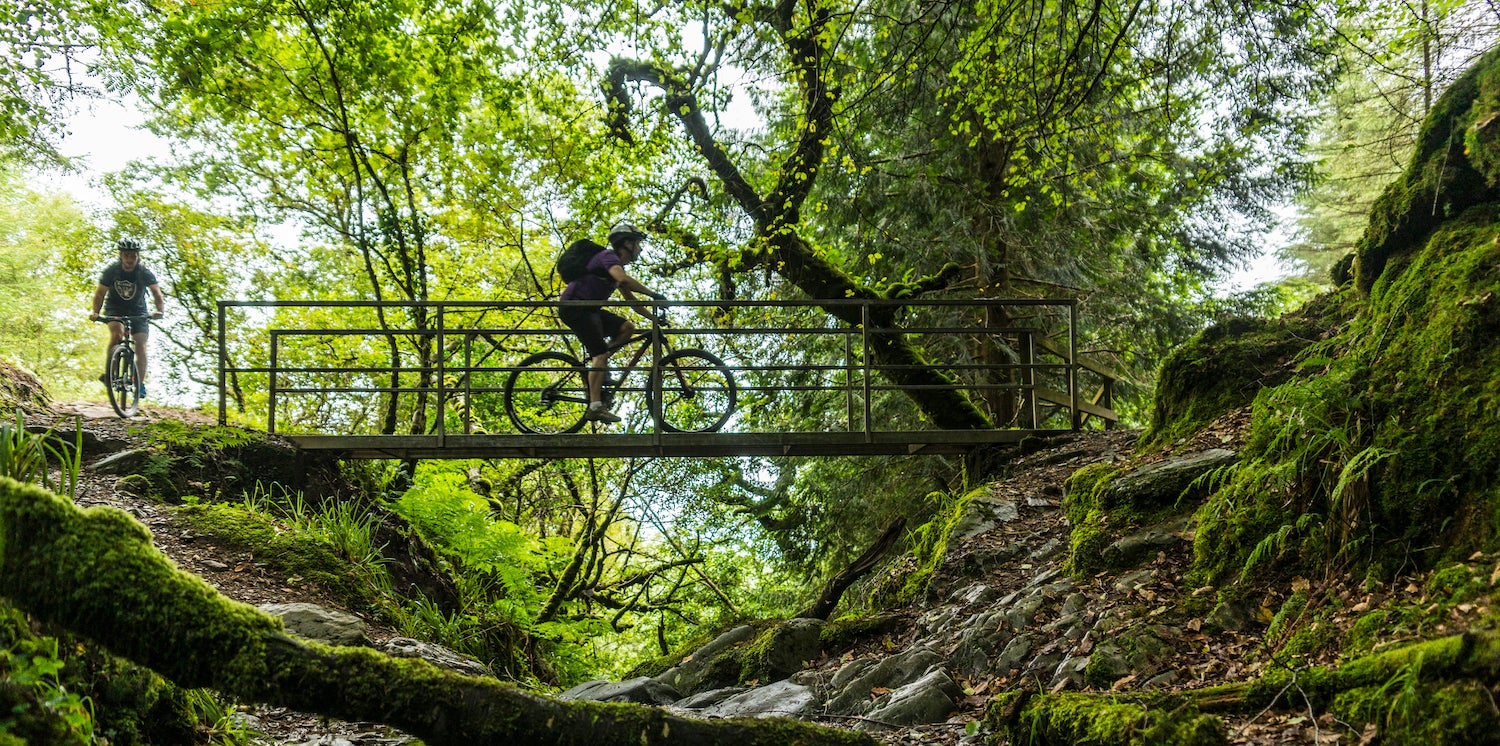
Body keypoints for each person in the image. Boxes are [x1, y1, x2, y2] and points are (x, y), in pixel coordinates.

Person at [558, 221, 666, 424]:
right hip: (574, 307)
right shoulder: (608, 257)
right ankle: (595, 407)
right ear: (626, 243)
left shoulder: (616, 268)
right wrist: (654, 295)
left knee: (627, 328)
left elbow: (632, 302)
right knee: (599, 354)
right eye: (637, 244)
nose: (640, 249)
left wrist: (654, 319)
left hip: (590, 309)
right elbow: (623, 280)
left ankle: (601, 364)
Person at [90, 238, 166, 398]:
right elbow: (100, 293)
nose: (130, 259)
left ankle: (139, 383)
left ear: (138, 256)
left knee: (141, 345)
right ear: (121, 255)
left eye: (133, 256)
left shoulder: (144, 272)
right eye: (126, 255)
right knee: (117, 334)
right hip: (115, 308)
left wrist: (159, 311)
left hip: (138, 310)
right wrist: (96, 312)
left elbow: (157, 293)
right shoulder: (112, 271)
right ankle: (110, 373)